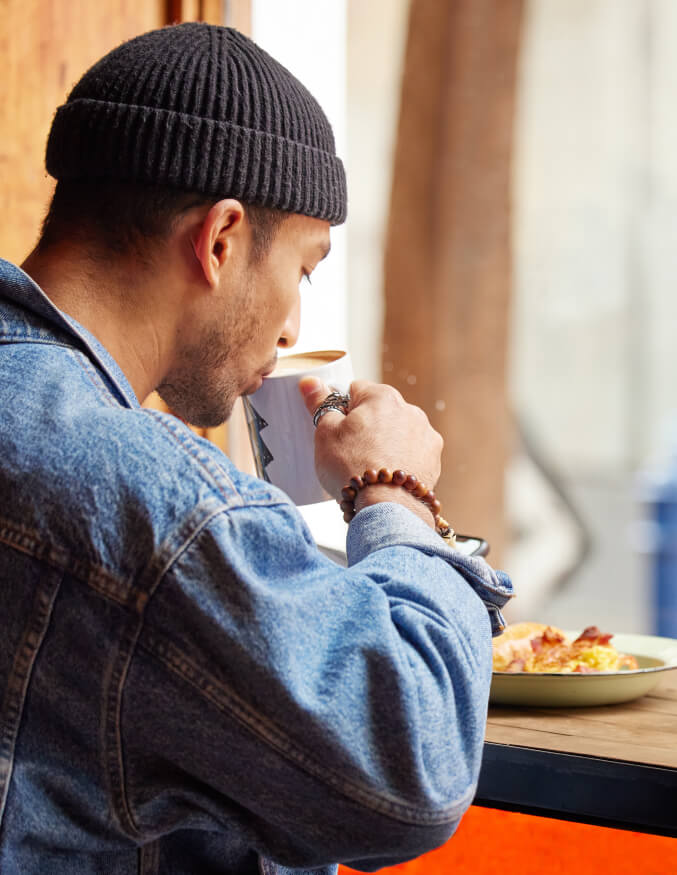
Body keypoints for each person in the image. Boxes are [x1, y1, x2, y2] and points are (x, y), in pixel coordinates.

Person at [0, 22, 513, 875]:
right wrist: (394, 492)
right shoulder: (157, 500)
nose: (294, 327)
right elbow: (409, 768)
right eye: (304, 271)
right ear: (221, 240)